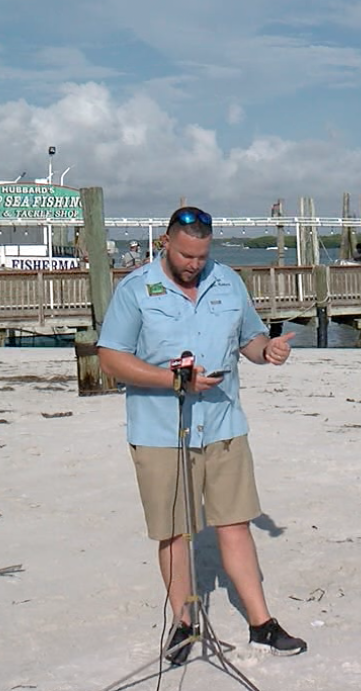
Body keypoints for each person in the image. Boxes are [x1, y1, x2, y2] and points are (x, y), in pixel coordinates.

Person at [97, 206, 307, 664]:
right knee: (175, 533)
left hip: (224, 424)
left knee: (235, 523)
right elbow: (110, 358)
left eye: (201, 255)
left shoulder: (228, 281)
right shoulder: (135, 290)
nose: (194, 264)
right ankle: (184, 625)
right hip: (160, 430)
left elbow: (248, 339)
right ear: (166, 244)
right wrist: (174, 381)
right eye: (187, 255)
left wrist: (265, 351)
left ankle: (261, 624)